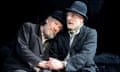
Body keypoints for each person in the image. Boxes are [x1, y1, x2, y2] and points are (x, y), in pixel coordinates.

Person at [49, 1, 98, 72]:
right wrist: (55, 64)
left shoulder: (90, 33)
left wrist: (64, 65)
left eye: (73, 16)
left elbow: (86, 55)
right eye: (67, 15)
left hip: (83, 69)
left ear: (82, 19)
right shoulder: (61, 32)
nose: (68, 18)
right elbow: (53, 53)